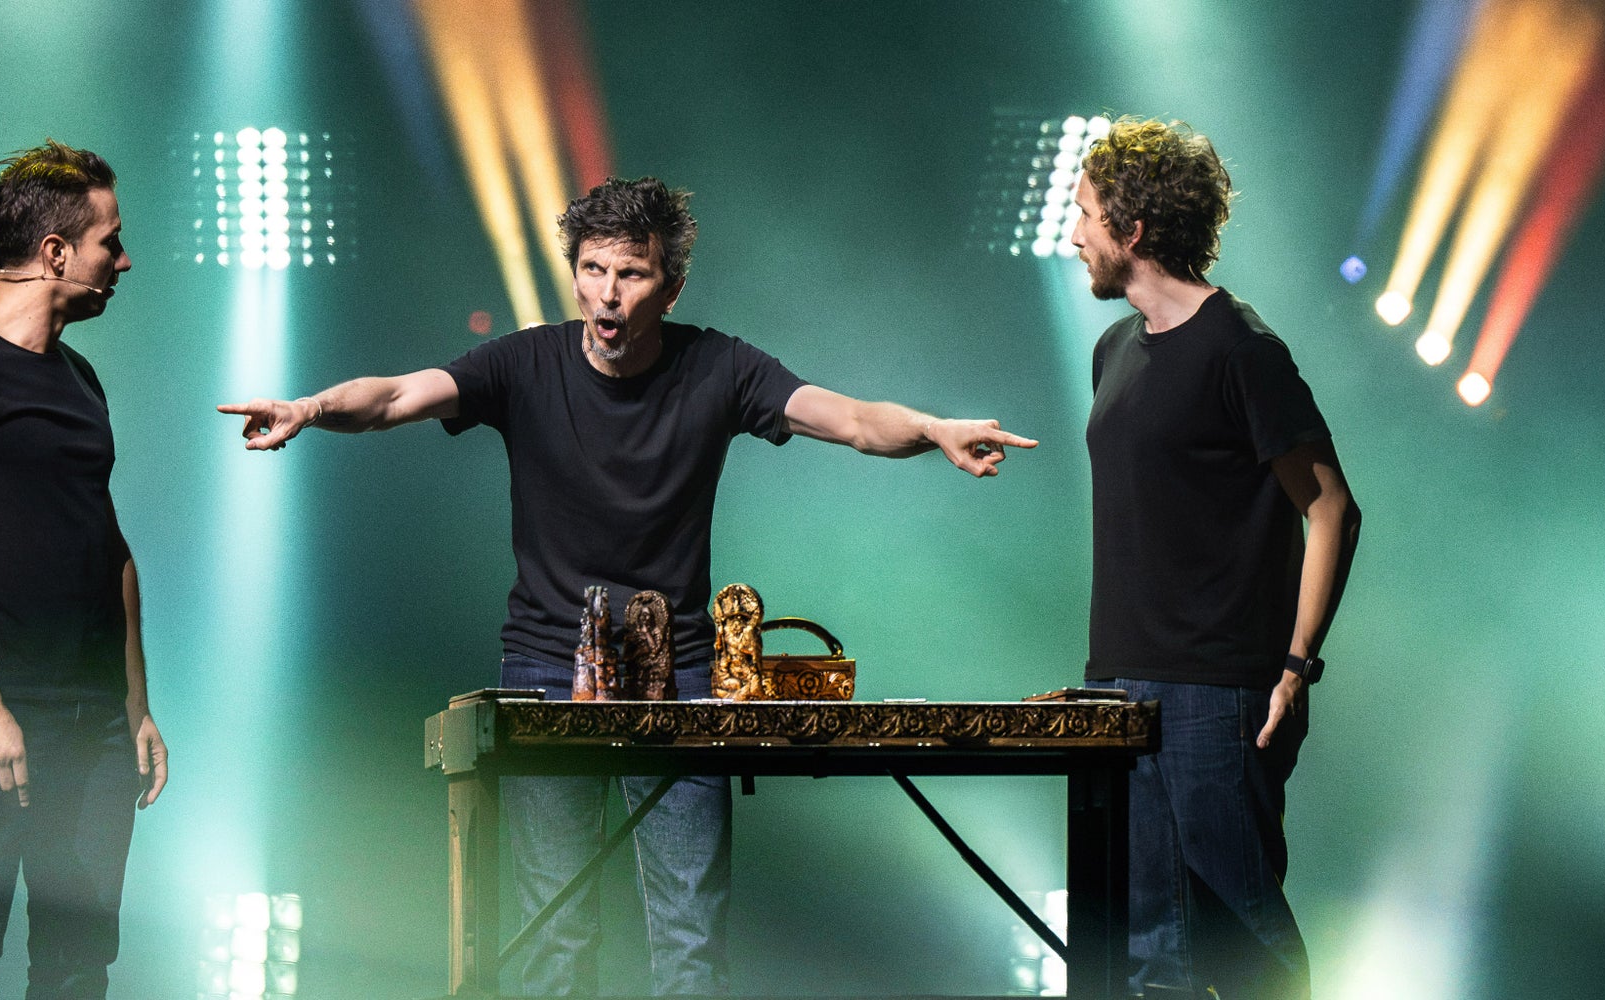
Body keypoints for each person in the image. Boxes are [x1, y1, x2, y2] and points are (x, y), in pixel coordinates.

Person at [219, 176, 1037, 995]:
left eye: (632, 274)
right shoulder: (522, 361)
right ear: (574, 272)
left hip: (680, 679)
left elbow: (854, 420)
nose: (607, 294)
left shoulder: (720, 365)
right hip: (548, 670)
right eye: (592, 269)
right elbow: (397, 395)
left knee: (689, 929)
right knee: (554, 930)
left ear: (670, 286)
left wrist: (931, 429)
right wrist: (310, 406)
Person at [1070, 119, 1361, 999]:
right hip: (1120, 682)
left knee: (1244, 941)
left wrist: (1296, 665)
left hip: (1217, 693)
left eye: (1084, 214)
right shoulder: (1113, 350)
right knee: (1150, 951)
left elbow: (1331, 506)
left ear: (1135, 229)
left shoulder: (1241, 348)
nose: (1073, 234)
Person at [0, 139, 167, 999]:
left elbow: (108, 544)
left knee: (81, 959)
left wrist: (137, 710)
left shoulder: (81, 378)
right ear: (55, 254)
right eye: (108, 242)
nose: (123, 260)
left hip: (95, 725)